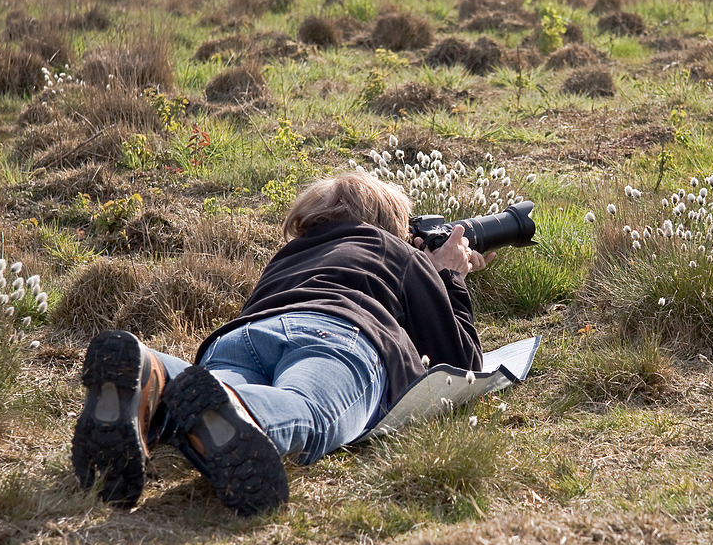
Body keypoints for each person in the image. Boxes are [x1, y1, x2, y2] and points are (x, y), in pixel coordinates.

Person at [71, 170, 495, 516]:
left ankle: (156, 372)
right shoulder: (393, 250)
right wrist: (448, 275)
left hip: (243, 336)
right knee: (306, 408)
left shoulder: (287, 256)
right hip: (339, 336)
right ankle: (246, 416)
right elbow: (462, 362)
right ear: (389, 224)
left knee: (210, 393)